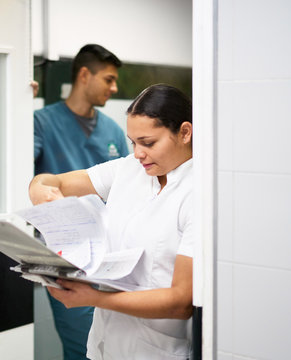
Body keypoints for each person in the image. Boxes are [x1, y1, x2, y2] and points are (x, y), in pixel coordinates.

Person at [29, 84, 194, 359]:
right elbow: (55, 181)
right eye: (133, 142)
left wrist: (94, 299)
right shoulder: (128, 169)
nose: (138, 153)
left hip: (158, 350)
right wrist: (38, 187)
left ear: (185, 133)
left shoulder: (198, 193)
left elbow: (181, 301)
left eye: (148, 143)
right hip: (105, 345)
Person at [33, 44, 129, 359]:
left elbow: (128, 186)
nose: (114, 89)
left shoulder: (113, 130)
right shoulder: (41, 122)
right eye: (109, 79)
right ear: (84, 75)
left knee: (110, 342)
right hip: (63, 253)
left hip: (108, 252)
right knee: (80, 346)